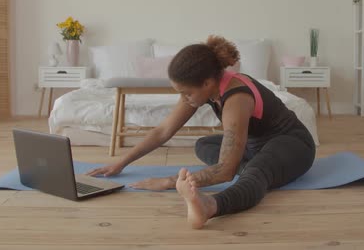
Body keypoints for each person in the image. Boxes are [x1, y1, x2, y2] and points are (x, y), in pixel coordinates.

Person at [86, 36, 316, 229]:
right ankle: (254, 167)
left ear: (207, 83)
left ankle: (210, 207)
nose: (184, 98)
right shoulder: (205, 87)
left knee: (253, 172)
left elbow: (225, 172)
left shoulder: (237, 98)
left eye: (186, 93)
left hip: (292, 145)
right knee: (204, 145)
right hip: (255, 148)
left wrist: (170, 181)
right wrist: (120, 163)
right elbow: (163, 131)